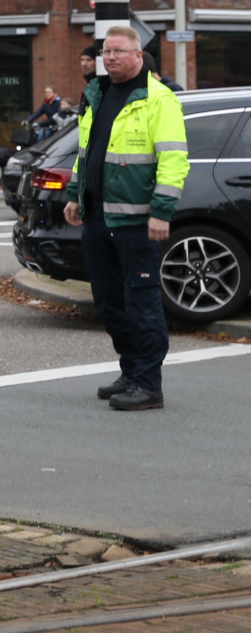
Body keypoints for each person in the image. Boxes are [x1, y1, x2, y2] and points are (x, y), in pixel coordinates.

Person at [62, 27, 188, 411]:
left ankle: (149, 385)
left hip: (137, 221)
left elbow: (173, 159)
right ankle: (131, 370)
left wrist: (162, 211)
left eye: (118, 51)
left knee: (142, 303)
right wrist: (73, 196)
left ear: (138, 54)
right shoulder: (96, 94)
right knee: (109, 301)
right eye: (105, 51)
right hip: (99, 218)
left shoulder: (158, 99)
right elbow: (87, 151)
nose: (110, 57)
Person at [78, 42, 100, 109]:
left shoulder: (101, 85)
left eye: (88, 60)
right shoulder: (88, 86)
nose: (84, 64)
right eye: (82, 60)